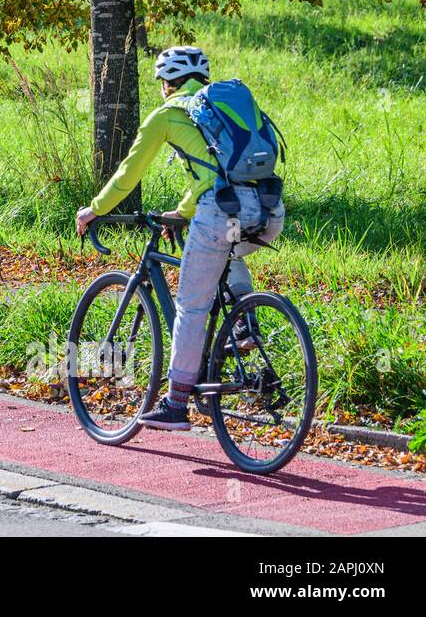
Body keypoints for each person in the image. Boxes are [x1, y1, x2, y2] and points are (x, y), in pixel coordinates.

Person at [75, 45, 285, 430]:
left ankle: (175, 404)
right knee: (230, 252)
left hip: (223, 211)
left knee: (191, 307)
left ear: (166, 83)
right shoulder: (217, 109)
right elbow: (214, 175)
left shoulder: (169, 114)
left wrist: (96, 209)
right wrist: (184, 212)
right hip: (270, 209)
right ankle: (244, 325)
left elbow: (129, 172)